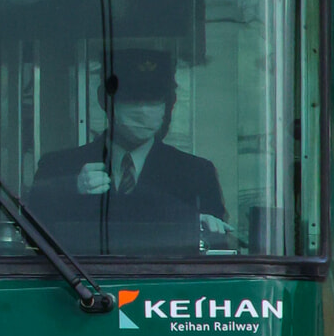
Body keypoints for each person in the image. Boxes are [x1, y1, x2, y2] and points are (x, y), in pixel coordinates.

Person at [27, 47, 224, 254]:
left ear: (169, 104)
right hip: (78, 275)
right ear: (105, 100)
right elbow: (32, 233)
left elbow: (218, 251)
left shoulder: (196, 173)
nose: (143, 109)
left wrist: (196, 226)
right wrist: (71, 187)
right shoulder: (60, 167)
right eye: (131, 97)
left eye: (154, 98)